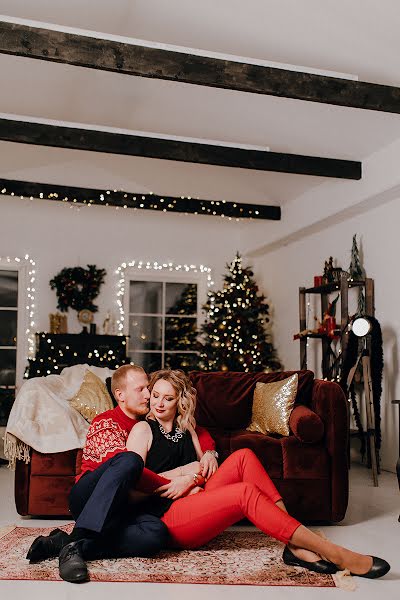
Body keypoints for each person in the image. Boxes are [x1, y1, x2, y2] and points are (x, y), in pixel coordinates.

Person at [126, 369, 390, 580]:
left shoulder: (188, 428)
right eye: (156, 395)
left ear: (180, 401)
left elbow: (202, 472)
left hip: (194, 499)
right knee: (244, 493)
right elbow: (133, 485)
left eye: (168, 398)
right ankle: (337, 554)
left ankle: (294, 546)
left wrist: (200, 468)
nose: (159, 403)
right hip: (167, 517)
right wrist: (186, 475)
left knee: (244, 457)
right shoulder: (142, 431)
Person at [26, 364, 217, 583]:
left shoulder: (149, 422)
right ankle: (75, 543)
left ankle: (69, 544)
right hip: (89, 498)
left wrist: (209, 452)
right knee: (130, 460)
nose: (148, 395)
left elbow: (195, 429)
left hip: (125, 505)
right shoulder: (107, 423)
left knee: (156, 534)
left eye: (149, 389)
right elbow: (133, 476)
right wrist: (184, 476)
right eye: (141, 390)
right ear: (120, 395)